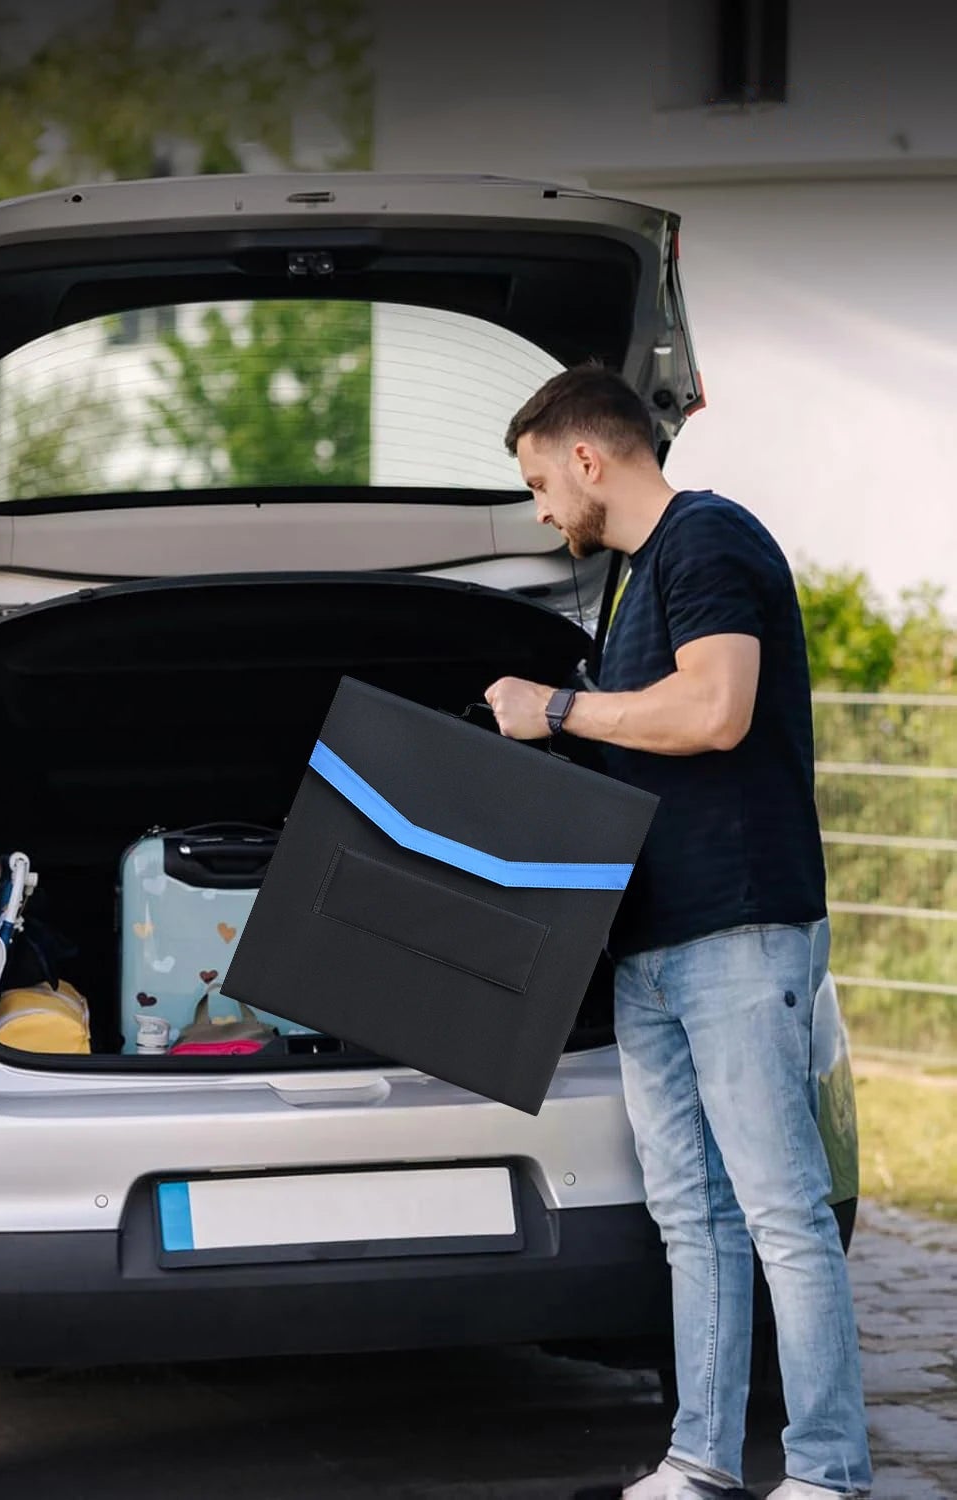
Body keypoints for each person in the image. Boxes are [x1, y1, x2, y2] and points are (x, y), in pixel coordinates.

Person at [484, 366, 870, 1500]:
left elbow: (715, 709)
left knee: (781, 1212)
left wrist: (557, 709)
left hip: (738, 931)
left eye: (540, 484)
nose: (542, 512)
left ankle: (830, 1472)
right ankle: (700, 1460)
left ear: (587, 458)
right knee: (693, 1220)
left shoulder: (707, 541)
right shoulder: (630, 579)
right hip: (651, 948)